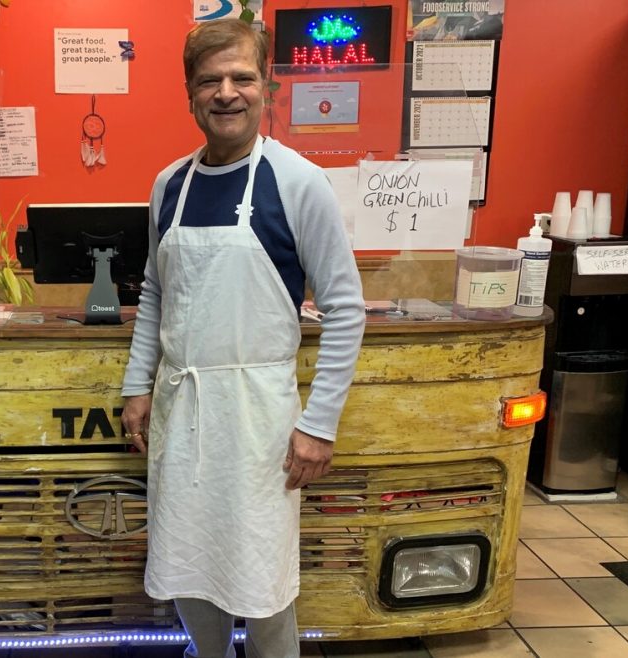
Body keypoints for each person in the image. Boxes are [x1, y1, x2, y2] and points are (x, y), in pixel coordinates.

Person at [119, 18, 365, 658]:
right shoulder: (169, 186)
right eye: (210, 80)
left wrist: (319, 425)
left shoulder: (299, 182)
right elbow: (156, 292)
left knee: (263, 573)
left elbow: (346, 309)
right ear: (190, 94)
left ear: (266, 88)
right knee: (187, 558)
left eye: (242, 78)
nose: (226, 93)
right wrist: (137, 386)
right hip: (182, 408)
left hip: (260, 421)